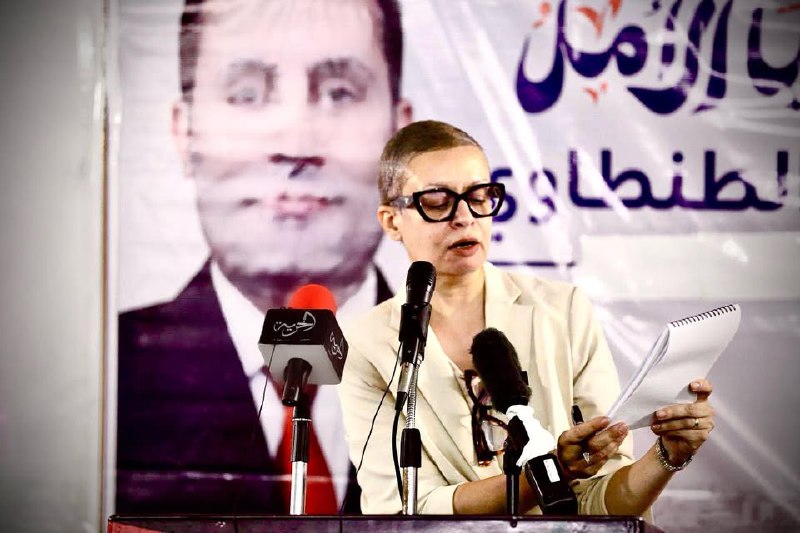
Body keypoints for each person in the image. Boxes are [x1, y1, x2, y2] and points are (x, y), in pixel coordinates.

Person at [116, 0, 412, 514]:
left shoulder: (458, 371)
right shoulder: (104, 380)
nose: (295, 144)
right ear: (184, 134)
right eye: (247, 94)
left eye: (340, 93)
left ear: (399, 138)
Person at [339, 120, 715, 515]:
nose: (465, 217)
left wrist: (666, 455)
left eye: (479, 196)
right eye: (437, 201)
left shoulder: (562, 311)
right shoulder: (368, 345)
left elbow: (603, 501)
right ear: (392, 221)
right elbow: (404, 507)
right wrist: (552, 472)